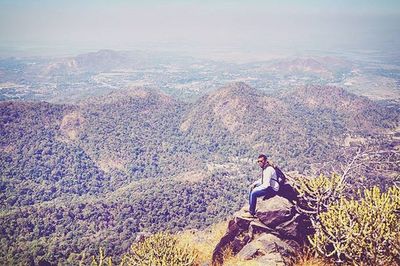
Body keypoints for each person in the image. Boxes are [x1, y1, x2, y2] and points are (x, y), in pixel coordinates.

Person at [243, 154, 279, 218]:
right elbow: (263, 180)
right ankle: (251, 206)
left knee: (254, 193)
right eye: (258, 161)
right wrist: (254, 184)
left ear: (265, 161)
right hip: (269, 185)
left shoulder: (268, 169)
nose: (259, 163)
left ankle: (251, 213)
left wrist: (256, 189)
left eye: (261, 161)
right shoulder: (265, 168)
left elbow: (266, 185)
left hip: (272, 189)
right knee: (252, 188)